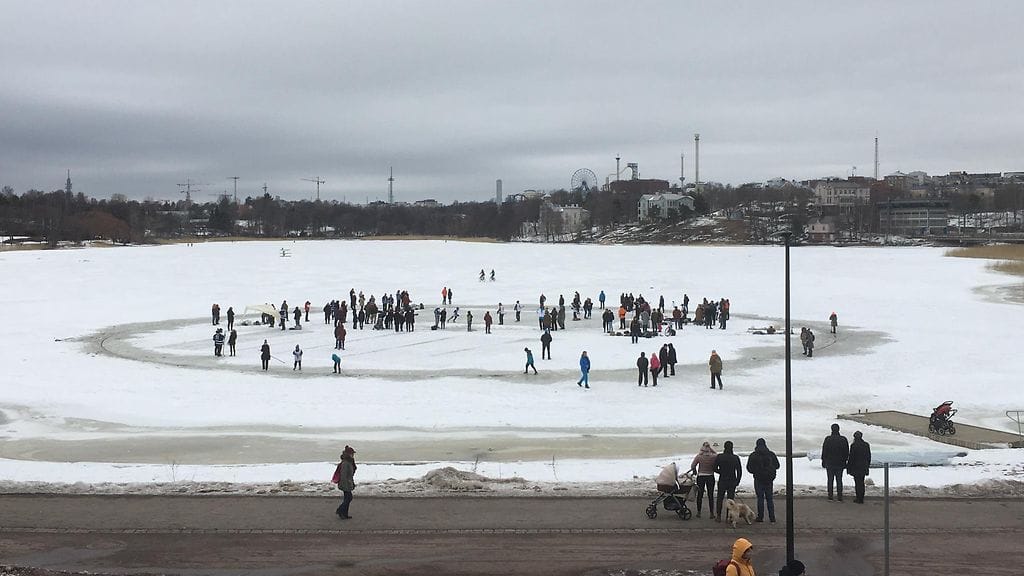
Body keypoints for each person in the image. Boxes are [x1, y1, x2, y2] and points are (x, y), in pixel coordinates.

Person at [746, 438, 780, 523]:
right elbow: (777, 465)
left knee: (760, 498)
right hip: (769, 479)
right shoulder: (771, 454)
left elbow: (749, 468)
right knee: (769, 499)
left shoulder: (753, 455)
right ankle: (772, 518)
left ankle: (760, 517)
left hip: (758, 479)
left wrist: (756, 471)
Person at [714, 440, 742, 522]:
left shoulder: (720, 457)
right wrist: (738, 481)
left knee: (720, 498)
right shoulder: (735, 458)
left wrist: (721, 472)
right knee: (730, 500)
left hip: (722, 479)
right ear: (732, 448)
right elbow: (739, 471)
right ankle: (728, 517)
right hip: (732, 480)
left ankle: (718, 516)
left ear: (724, 447)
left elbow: (714, 468)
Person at [821, 423, 850, 501]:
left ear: (831, 429)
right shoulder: (843, 439)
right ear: (838, 429)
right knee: (839, 479)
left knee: (830, 480)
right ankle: (839, 496)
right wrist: (845, 461)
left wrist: (823, 461)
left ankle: (830, 496)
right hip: (840, 463)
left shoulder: (828, 439)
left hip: (830, 463)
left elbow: (824, 451)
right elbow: (846, 452)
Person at [689, 441, 717, 519]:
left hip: (701, 476)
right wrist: (712, 449)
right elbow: (717, 454)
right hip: (710, 476)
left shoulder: (699, 456)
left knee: (700, 495)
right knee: (710, 495)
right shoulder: (713, 456)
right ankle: (711, 513)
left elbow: (693, 465)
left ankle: (699, 512)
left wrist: (695, 471)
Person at [847, 430, 872, 504]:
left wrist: (849, 467)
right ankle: (861, 498)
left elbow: (851, 458)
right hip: (863, 467)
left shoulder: (853, 446)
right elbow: (868, 457)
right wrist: (867, 466)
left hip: (855, 467)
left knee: (857, 483)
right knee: (861, 482)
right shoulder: (866, 445)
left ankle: (858, 498)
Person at [334, 445, 357, 519]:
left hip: (348, 483)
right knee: (349, 498)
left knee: (347, 498)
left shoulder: (349, 462)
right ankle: (340, 510)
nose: (353, 455)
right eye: (352, 453)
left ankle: (344, 514)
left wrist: (351, 483)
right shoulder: (345, 463)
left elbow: (351, 474)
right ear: (348, 454)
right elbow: (343, 476)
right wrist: (347, 484)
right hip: (345, 484)